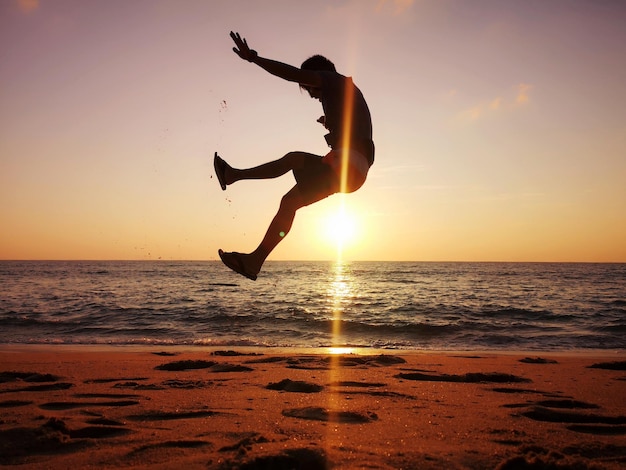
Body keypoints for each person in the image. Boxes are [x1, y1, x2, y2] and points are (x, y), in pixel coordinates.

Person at [215, 31, 374, 281]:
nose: (311, 94)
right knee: (289, 201)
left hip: (347, 165)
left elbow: (291, 74)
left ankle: (232, 175)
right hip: (352, 172)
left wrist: (254, 58)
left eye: (309, 87)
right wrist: (331, 123)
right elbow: (356, 127)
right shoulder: (345, 92)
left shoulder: (332, 79)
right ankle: (254, 262)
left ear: (318, 74)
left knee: (293, 160)